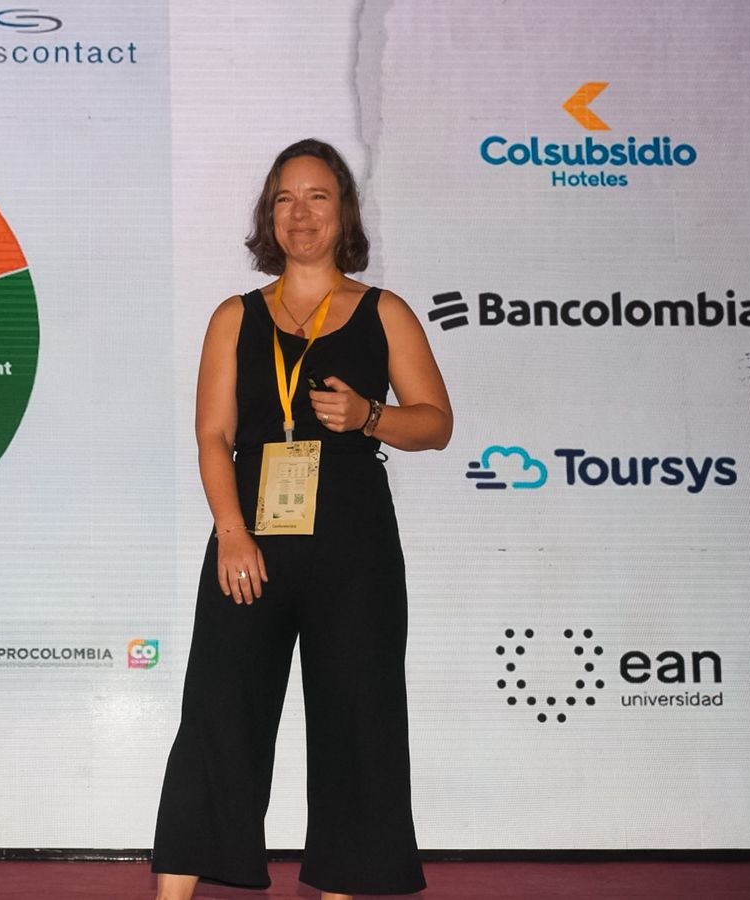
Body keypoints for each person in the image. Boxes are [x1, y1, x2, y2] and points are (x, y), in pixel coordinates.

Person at [151, 139, 452, 900]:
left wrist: (370, 415)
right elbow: (212, 435)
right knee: (218, 715)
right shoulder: (235, 316)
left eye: (318, 196)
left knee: (357, 720)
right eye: (285, 198)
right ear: (269, 215)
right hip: (250, 538)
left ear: (343, 211)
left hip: (353, 545)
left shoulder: (384, 312)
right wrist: (231, 532)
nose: (300, 213)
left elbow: (436, 422)